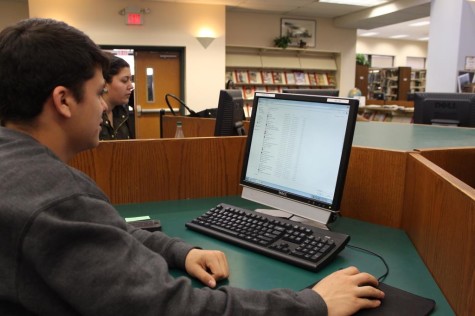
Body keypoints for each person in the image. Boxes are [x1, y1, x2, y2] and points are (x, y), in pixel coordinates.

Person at [0, 18, 384, 316]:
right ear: (64, 101)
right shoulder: (57, 198)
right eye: (100, 91)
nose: (104, 105)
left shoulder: (19, 168)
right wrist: (313, 304)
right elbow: (170, 309)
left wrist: (177, 251)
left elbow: (103, 233)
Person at [99, 53, 135, 140]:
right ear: (105, 84)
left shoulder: (122, 111)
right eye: (124, 80)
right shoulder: (92, 116)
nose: (131, 86)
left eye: (130, 80)